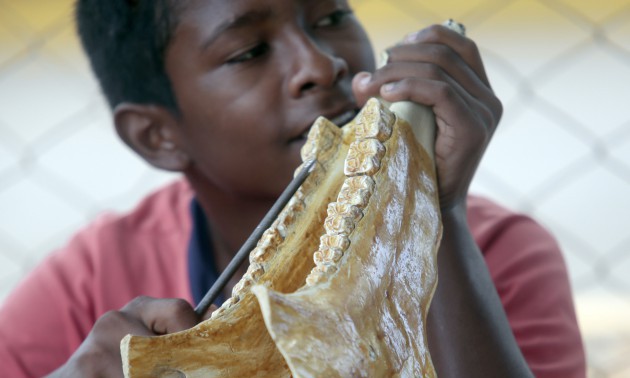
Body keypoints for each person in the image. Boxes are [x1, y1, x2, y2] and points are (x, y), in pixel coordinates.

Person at [0, 0, 586, 377]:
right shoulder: (90, 284)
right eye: (249, 51)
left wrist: (435, 214)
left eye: (330, 17)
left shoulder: (495, 249)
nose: (321, 62)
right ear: (158, 135)